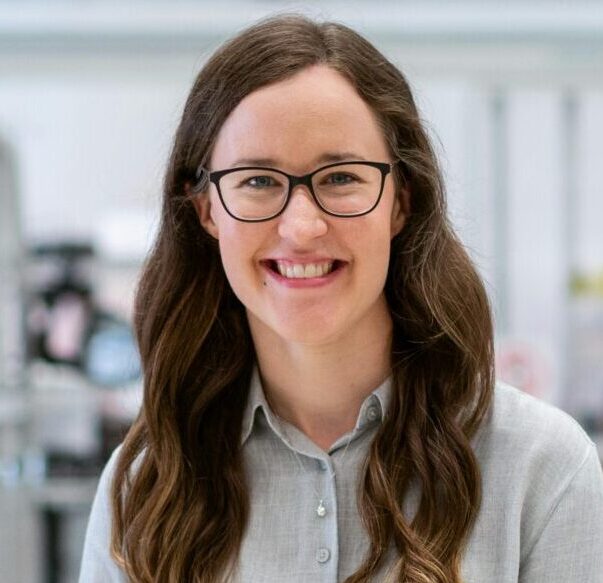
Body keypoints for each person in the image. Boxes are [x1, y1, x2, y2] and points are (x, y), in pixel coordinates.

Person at [79, 14, 603, 583]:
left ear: (401, 201)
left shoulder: (543, 468)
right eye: (257, 180)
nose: (302, 226)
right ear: (206, 210)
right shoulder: (146, 485)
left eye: (341, 178)